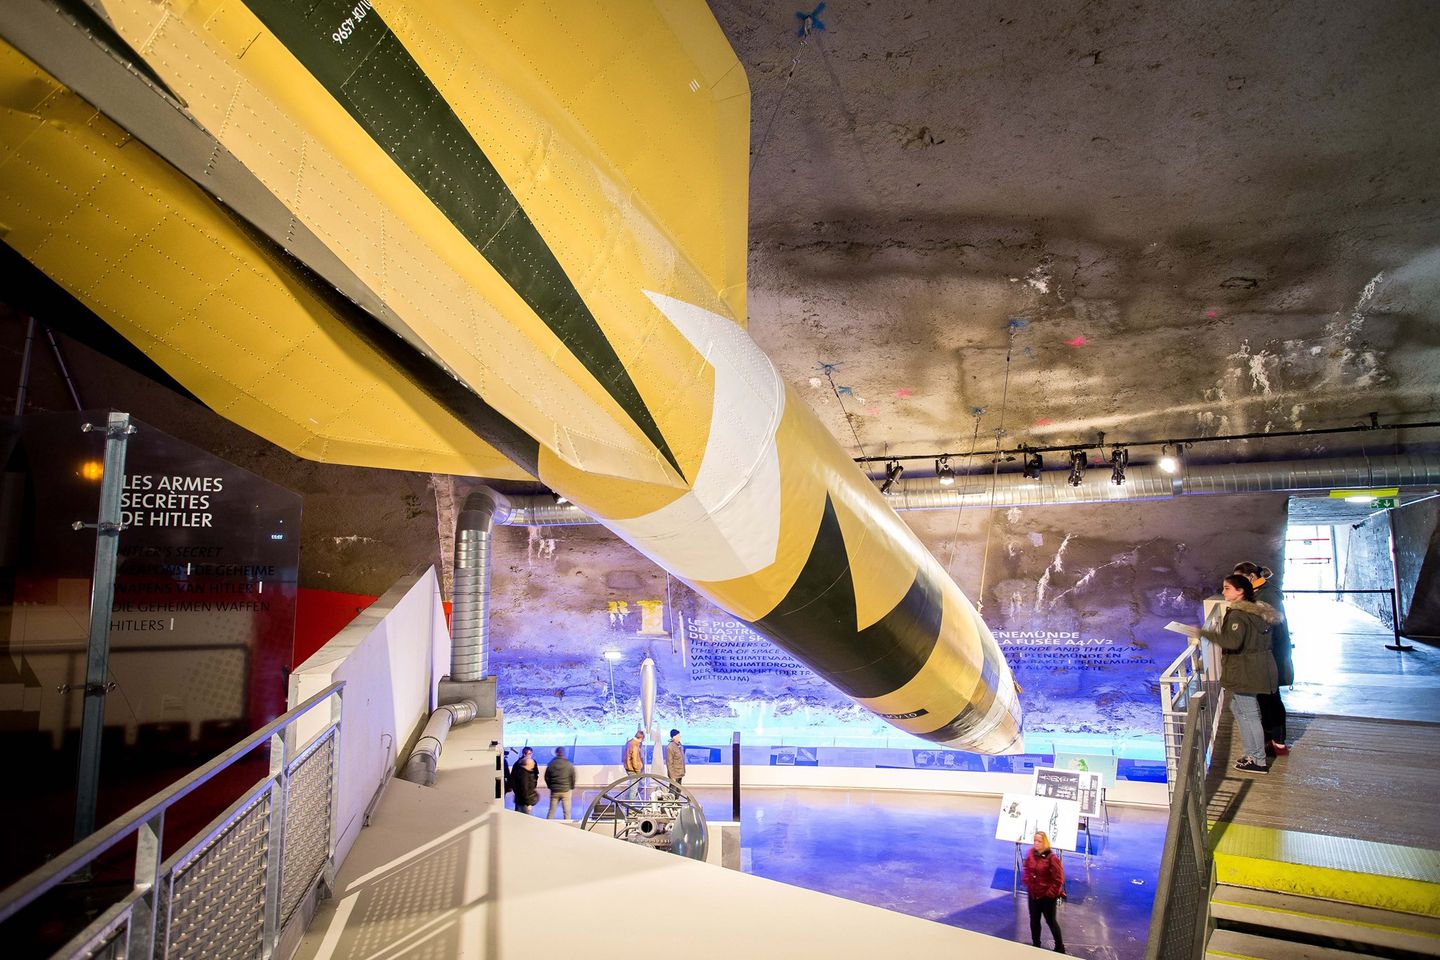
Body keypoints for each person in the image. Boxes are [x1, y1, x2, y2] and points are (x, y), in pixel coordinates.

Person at [1202, 574, 1281, 773]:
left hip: (1246, 670)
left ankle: (1258, 759)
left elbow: (1232, 642)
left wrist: (1205, 633)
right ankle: (1252, 755)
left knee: (1249, 713)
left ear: (1240, 591)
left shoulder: (1238, 615)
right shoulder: (1259, 611)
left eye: (1227, 588)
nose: (1223, 592)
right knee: (1239, 709)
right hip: (1256, 666)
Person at [1235, 561, 1292, 755]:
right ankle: (1272, 739)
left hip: (1270, 654)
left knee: (1271, 698)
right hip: (1264, 654)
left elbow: (1268, 623)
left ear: (1251, 577)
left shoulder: (1267, 595)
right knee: (1266, 698)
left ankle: (1278, 742)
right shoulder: (1262, 593)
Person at [1021, 831, 1066, 953]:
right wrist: (1027, 880)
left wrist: (1050, 894)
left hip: (1046, 897)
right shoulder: (1031, 853)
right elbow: (1026, 867)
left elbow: (1059, 879)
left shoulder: (1052, 858)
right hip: (1033, 894)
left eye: (1039, 841)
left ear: (1044, 842)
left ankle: (1059, 947)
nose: (1036, 843)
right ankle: (1036, 944)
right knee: (1034, 920)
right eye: (1035, 840)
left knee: (1050, 921)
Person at [544, 747, 576, 819]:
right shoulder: (569, 764)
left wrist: (550, 786)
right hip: (566, 790)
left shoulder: (551, 764)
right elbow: (573, 777)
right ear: (564, 753)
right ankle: (568, 828)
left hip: (554, 790)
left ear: (556, 753)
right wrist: (572, 787)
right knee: (567, 812)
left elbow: (546, 777)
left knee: (551, 811)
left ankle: (547, 826)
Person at [509, 746, 539, 814]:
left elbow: (536, 775)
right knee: (522, 813)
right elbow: (513, 778)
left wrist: (534, 785)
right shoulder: (518, 765)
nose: (530, 755)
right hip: (522, 795)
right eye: (529, 754)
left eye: (531, 754)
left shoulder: (532, 762)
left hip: (525, 795)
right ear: (524, 754)